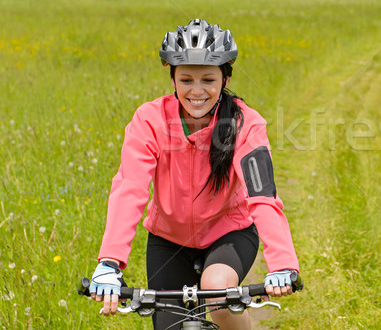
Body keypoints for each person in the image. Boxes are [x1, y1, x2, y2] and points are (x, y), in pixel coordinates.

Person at [88, 19, 300, 330]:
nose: (197, 91)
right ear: (172, 76)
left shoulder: (246, 124)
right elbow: (130, 188)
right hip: (168, 240)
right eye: (186, 79)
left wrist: (282, 262)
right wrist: (109, 262)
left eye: (208, 80)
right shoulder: (149, 120)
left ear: (225, 78)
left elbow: (262, 194)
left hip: (228, 234)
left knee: (218, 292)